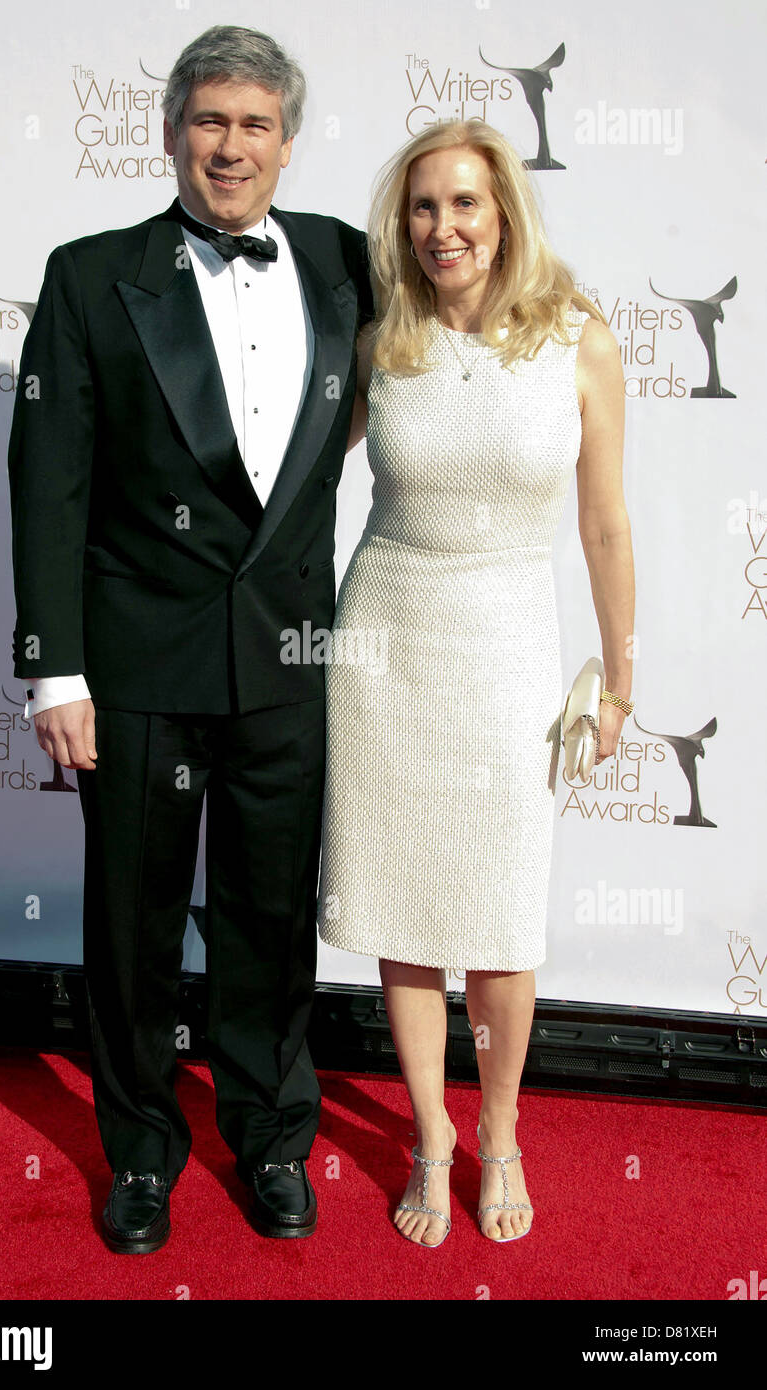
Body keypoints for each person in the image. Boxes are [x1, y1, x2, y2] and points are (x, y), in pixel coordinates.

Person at [7, 24, 372, 1253]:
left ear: (287, 140)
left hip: (286, 661)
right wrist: (53, 668)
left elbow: (465, 325)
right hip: (136, 666)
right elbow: (48, 480)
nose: (230, 146)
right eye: (208, 120)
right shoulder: (89, 273)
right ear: (169, 132)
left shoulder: (343, 262)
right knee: (133, 927)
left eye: (254, 124)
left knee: (271, 917)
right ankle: (143, 1156)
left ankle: (271, 1138)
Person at [317, 118, 634, 1247]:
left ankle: (496, 1130)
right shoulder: (380, 340)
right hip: (387, 637)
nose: (441, 226)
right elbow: (300, 481)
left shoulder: (575, 339)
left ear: (502, 210)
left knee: (499, 920)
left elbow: (601, 523)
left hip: (508, 644)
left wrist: (618, 678)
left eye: (461, 203)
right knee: (403, 911)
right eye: (420, 207)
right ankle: (429, 1135)